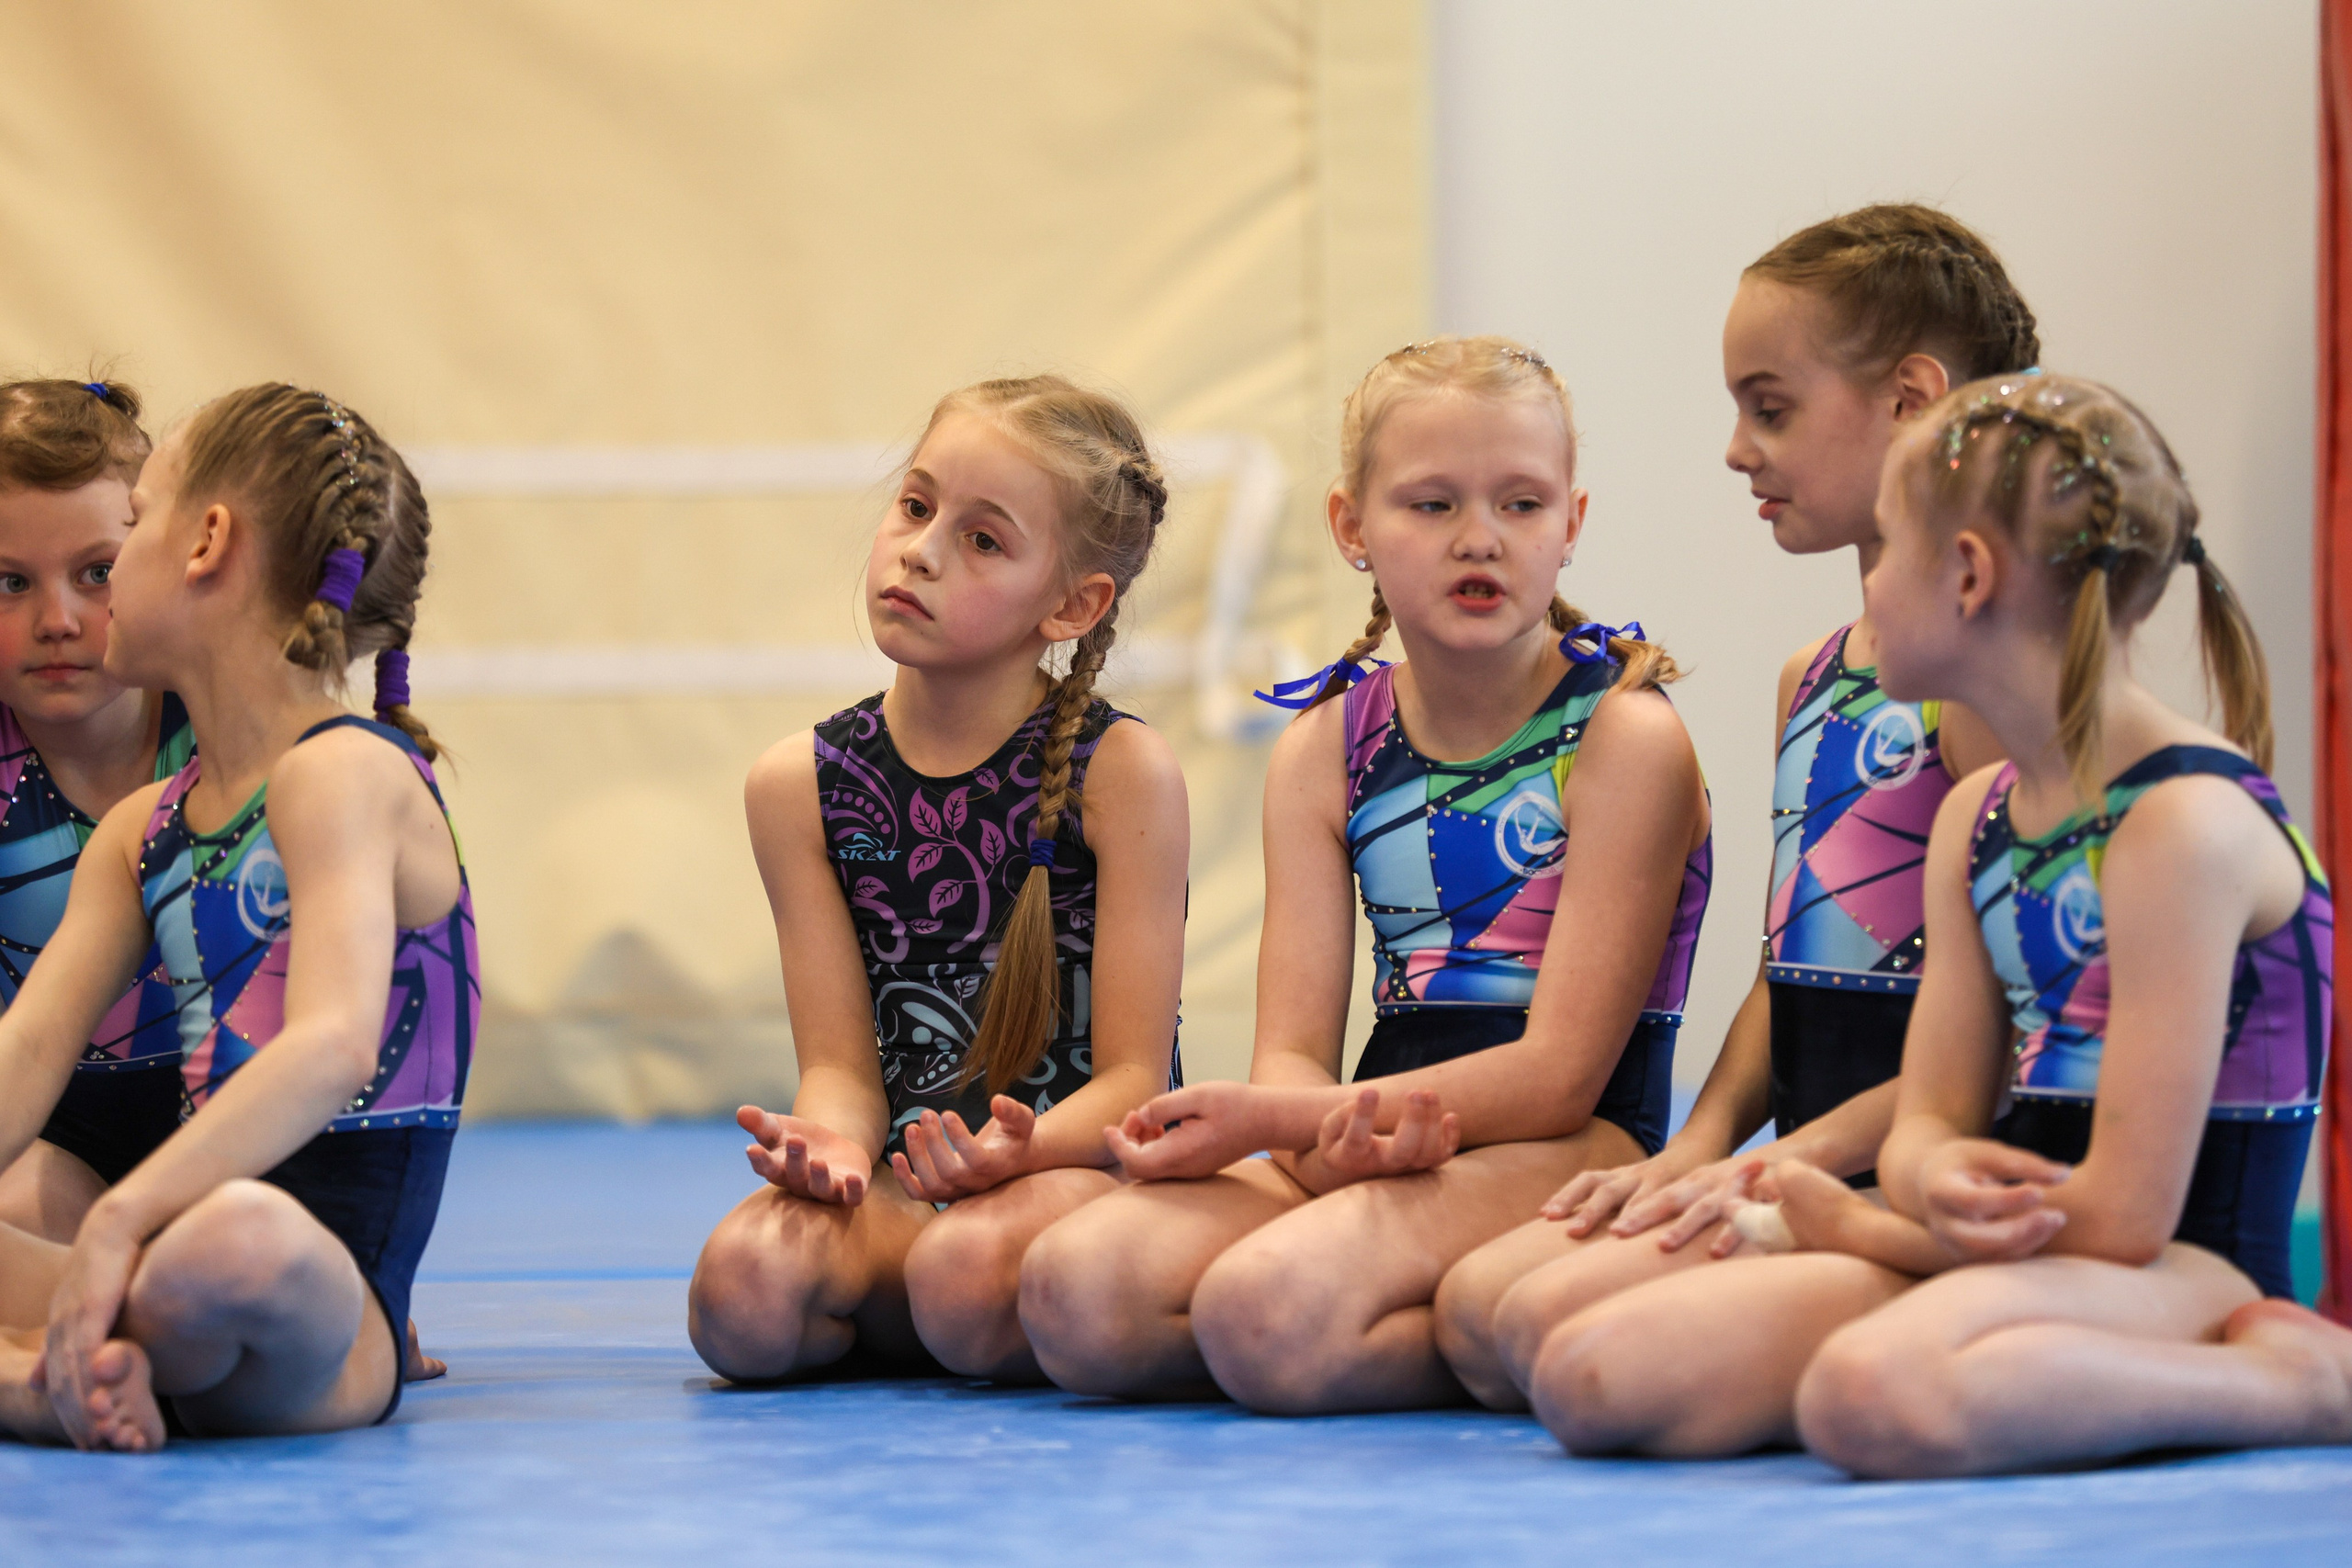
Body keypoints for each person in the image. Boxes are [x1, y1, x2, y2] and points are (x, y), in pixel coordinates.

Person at [1526, 374, 2352, 1472]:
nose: (1867, 591)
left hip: (2182, 1267)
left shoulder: (2179, 828)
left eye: (1890, 548)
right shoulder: (1976, 817)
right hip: (2012, 1245)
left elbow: (2124, 1221)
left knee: (1873, 1392)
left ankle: (2295, 1382)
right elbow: (1932, 1118)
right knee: (1593, 1375)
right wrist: (1917, 1183)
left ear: (1966, 575)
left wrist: (1864, 1228)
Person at [1017, 335, 1712, 1412]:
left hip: (1569, 1136)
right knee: (1077, 1291)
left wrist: (1296, 1124)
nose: (1479, 536)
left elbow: (1559, 1075)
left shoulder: (1622, 736)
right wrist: (1320, 1132)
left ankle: (1442, 1316)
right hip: (1373, 1121)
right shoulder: (1327, 746)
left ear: (1571, 523)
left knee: (1267, 1314)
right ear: (1351, 527)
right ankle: (1366, 1300)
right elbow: (1293, 1053)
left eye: (1522, 504)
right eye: (1432, 504)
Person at [1434, 206, 2025, 1408]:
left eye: (1771, 408)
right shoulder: (1817, 673)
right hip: (1807, 1153)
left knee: (1560, 1342)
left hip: (1927, 1165)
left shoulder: (1979, 685)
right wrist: (1705, 1147)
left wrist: (1786, 1164)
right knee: (1483, 1310)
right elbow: (1790, 966)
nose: (1737, 450)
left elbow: (2013, 1024)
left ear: (1911, 399)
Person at [686, 375, 1189, 1384]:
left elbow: (1134, 1083)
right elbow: (841, 1068)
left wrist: (1021, 1154)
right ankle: (948, 1308)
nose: (919, 550)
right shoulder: (802, 787)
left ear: (1072, 605)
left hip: (1077, 1173)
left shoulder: (1120, 774)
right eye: (916, 506)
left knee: (960, 1277)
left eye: (983, 540)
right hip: (913, 1192)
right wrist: (832, 1148)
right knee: (742, 1292)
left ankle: (1066, 1305)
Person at [0, 383, 475, 1450]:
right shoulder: (143, 830)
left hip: (315, 1317)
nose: (91, 595)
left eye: (131, 527)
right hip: (162, 1269)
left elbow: (333, 1046)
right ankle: (51, 1383)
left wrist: (121, 1219)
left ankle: (64, 1357)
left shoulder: (342, 772)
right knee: (179, 1249)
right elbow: (26, 1051)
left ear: (208, 543)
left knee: (236, 1241)